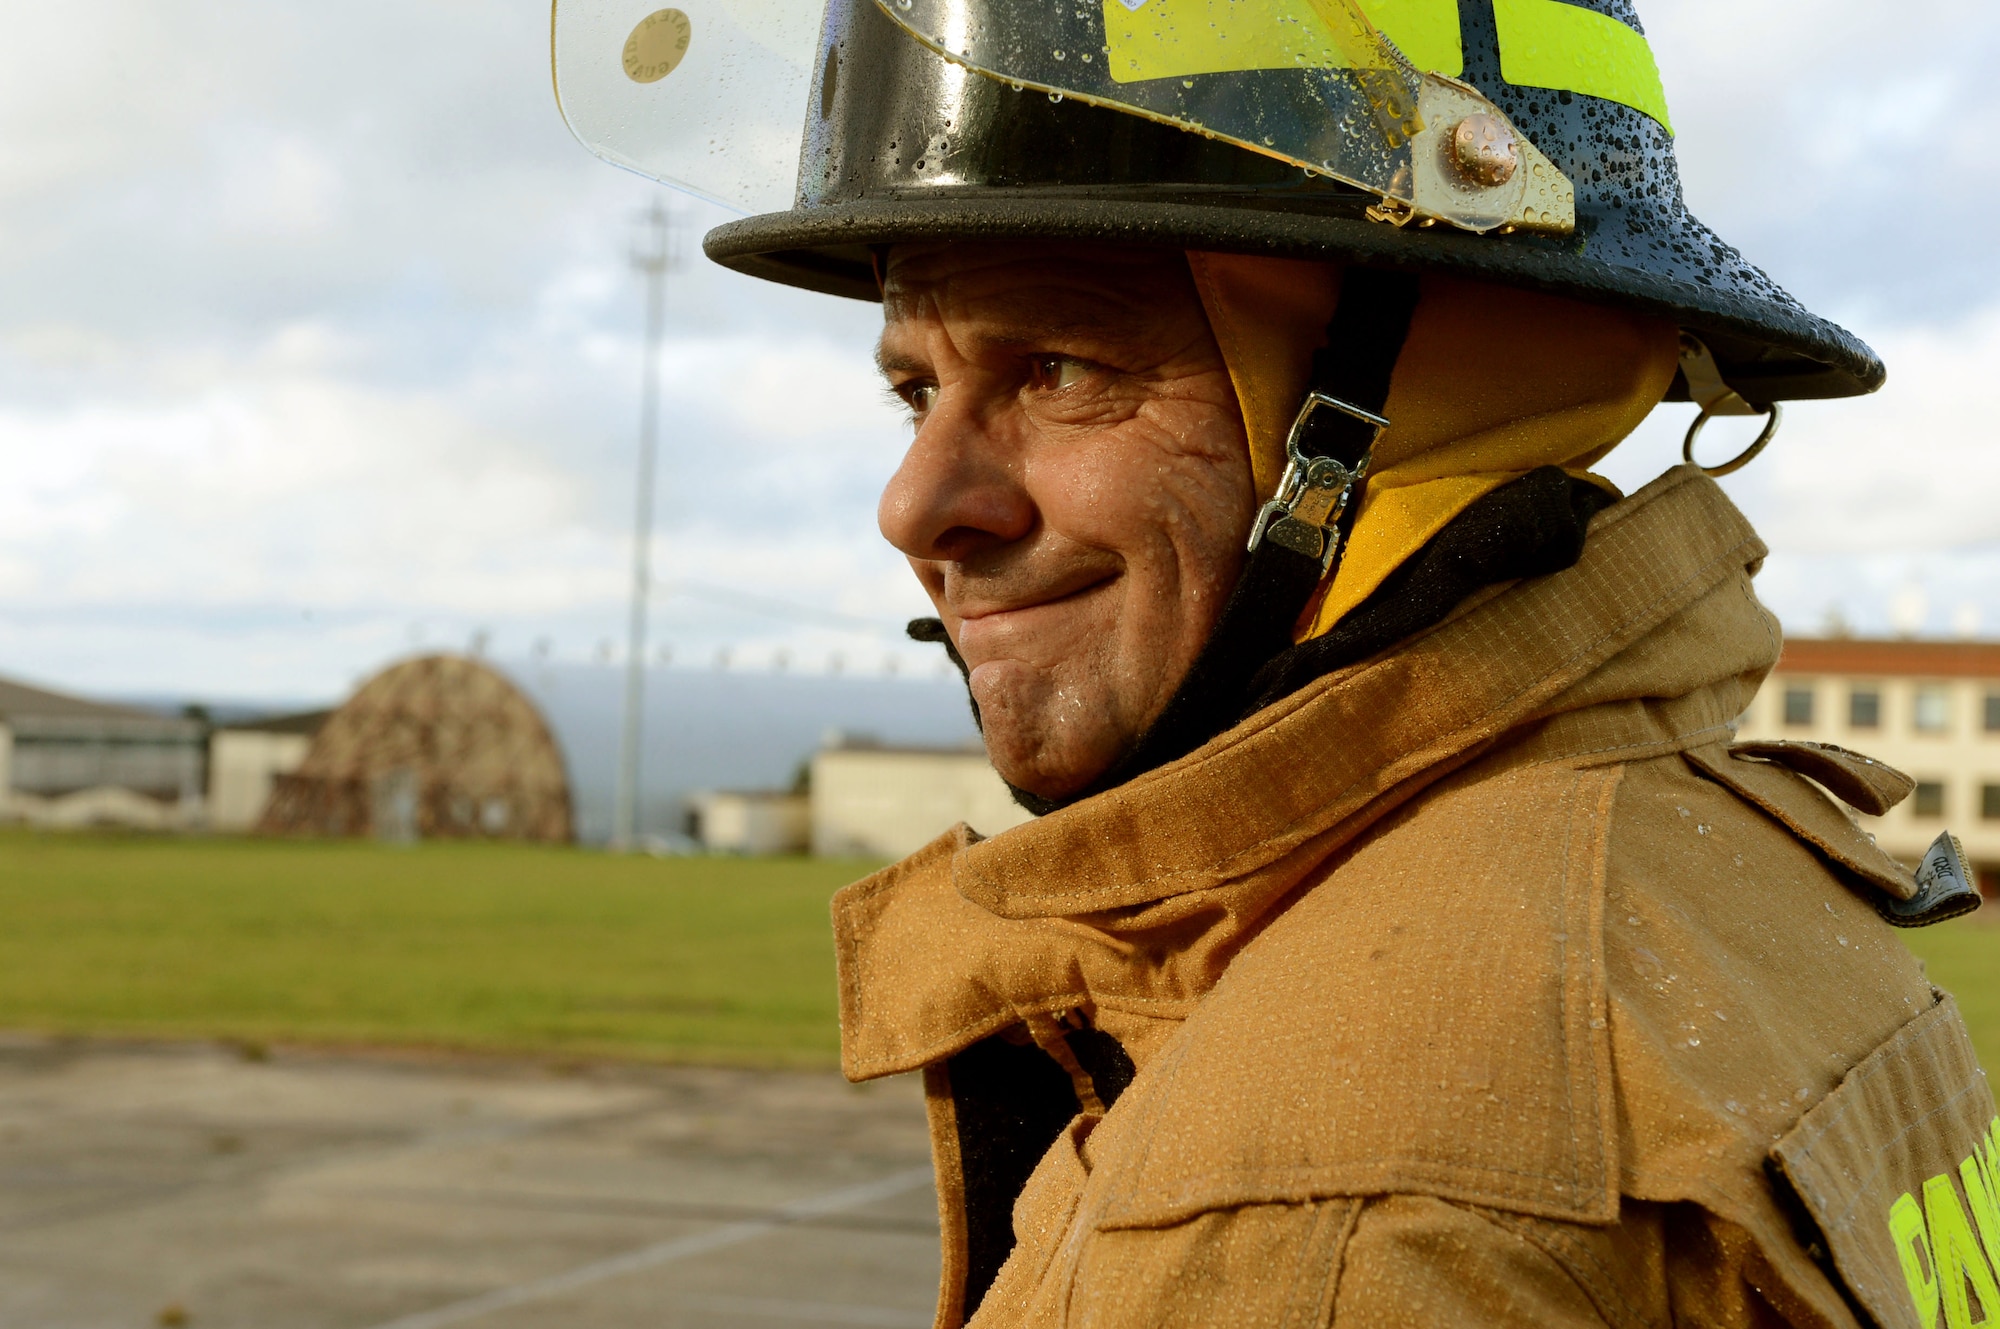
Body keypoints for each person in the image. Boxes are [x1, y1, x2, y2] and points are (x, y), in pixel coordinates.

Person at [556, 0, 1994, 1322]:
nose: (916, 507)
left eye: (1062, 367)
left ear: (1420, 397)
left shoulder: (1320, 1220)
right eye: (917, 389)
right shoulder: (1719, 863)